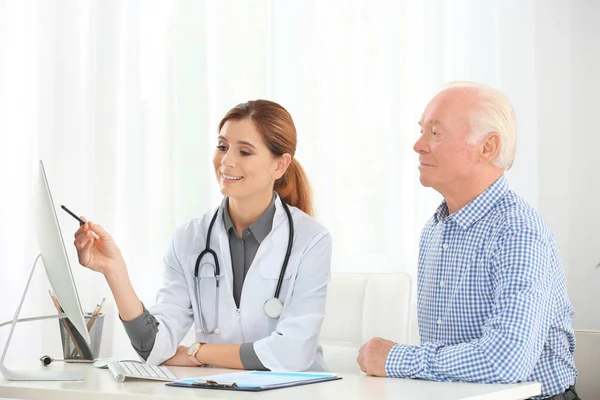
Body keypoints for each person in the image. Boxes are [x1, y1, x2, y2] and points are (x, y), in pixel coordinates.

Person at [73, 100, 332, 371]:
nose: (227, 161)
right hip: (217, 390)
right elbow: (153, 348)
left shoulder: (311, 240)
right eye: (222, 147)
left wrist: (198, 352)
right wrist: (115, 272)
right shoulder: (189, 238)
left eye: (244, 152)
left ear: (279, 166)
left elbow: (291, 354)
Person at [357, 82, 578, 399]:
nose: (418, 145)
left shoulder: (518, 232)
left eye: (435, 132)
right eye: (422, 130)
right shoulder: (434, 230)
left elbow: (506, 361)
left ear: (487, 147)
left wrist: (394, 358)